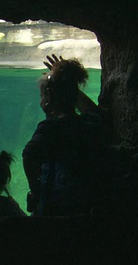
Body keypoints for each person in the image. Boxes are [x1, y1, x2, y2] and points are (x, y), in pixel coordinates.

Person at [23, 54, 107, 216]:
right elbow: (94, 111)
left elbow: (29, 155)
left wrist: (35, 190)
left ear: (48, 97)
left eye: (42, 95)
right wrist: (69, 85)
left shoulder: (49, 128)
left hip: (55, 208)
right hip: (85, 205)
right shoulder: (89, 122)